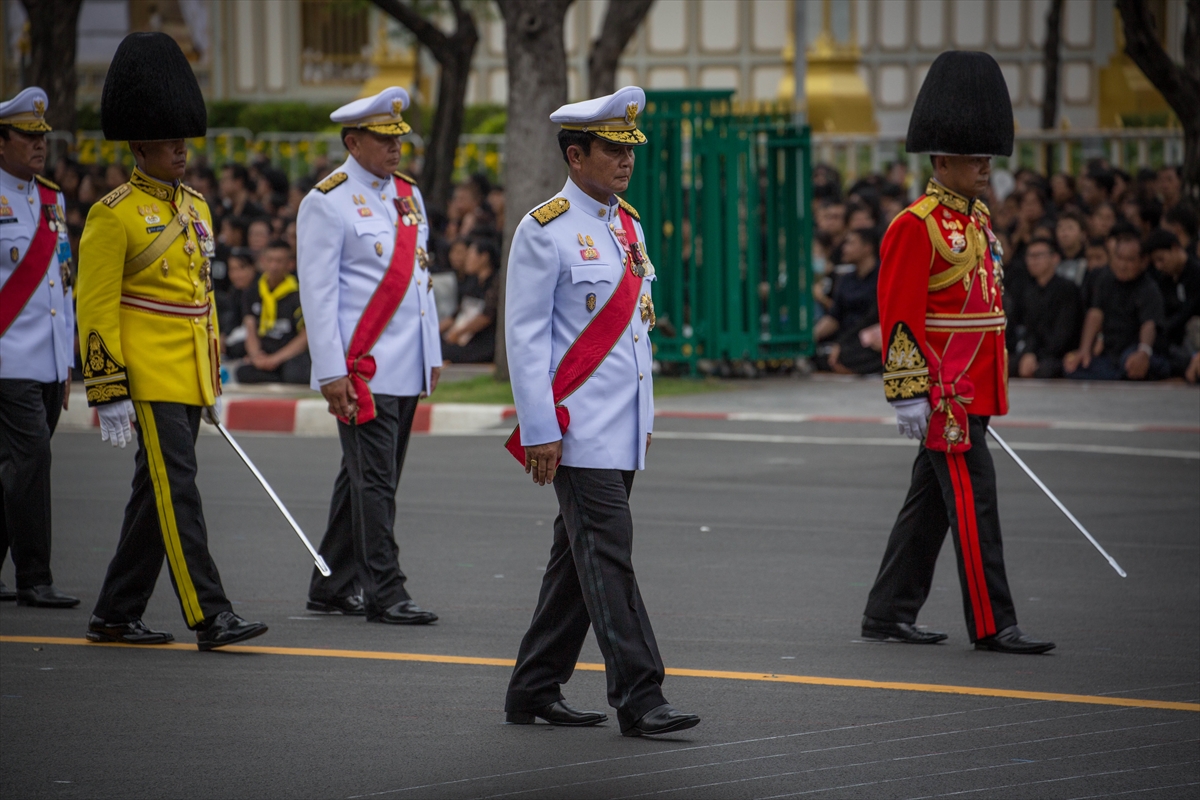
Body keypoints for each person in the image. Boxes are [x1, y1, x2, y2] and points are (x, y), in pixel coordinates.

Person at [503, 86, 700, 736]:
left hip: (623, 425)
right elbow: (526, 340)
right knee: (608, 553)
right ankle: (641, 696)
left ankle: (534, 686)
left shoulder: (629, 224)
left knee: (577, 559)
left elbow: (634, 331)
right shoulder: (544, 228)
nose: (625, 161)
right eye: (612, 150)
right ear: (576, 153)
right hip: (577, 429)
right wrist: (540, 431)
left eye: (629, 149)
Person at [75, 32, 268, 650]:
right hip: (147, 375)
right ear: (140, 146)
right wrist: (107, 388)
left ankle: (115, 611)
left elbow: (202, 302)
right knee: (176, 491)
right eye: (170, 142)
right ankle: (210, 614)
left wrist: (210, 376)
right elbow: (96, 306)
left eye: (184, 141)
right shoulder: (114, 213)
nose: (182, 151)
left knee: (154, 495)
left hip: (188, 373)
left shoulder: (198, 207)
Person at [861, 52, 1054, 655]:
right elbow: (899, 316)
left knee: (930, 507)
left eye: (986, 158)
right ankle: (995, 623)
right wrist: (908, 392)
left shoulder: (976, 222)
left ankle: (888, 610)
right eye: (974, 158)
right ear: (942, 159)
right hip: (945, 397)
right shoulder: (914, 226)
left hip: (974, 389)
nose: (984, 168)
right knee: (975, 505)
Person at [297, 87, 442, 623]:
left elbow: (419, 280)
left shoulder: (408, 196)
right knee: (375, 480)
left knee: (365, 477)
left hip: (405, 364)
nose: (396, 147)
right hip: (364, 368)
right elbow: (318, 295)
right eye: (384, 139)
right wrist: (331, 371)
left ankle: (330, 583)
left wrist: (433, 350)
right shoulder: (327, 201)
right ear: (353, 142)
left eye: (399, 137)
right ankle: (387, 590)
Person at [0, 87, 80, 608]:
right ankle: (35, 576)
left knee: (15, 466)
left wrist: (66, 356)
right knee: (32, 460)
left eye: (41, 137)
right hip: (7, 357)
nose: (38, 145)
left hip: (49, 359)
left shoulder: (52, 198)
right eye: (27, 136)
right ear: (1, 142)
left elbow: (62, 281)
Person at [1064, 225, 1169, 381]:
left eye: (1129, 260)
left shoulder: (1148, 288)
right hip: (1111, 352)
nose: (1122, 265)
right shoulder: (1106, 279)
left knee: (1131, 362)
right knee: (1074, 367)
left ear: (1143, 262)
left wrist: (1143, 352)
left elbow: (1149, 323)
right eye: (1119, 258)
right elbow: (1095, 314)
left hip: (1137, 348)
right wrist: (1084, 350)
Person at [236, 240, 310, 384]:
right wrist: (256, 356)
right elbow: (250, 329)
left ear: (290, 264)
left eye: (279, 261)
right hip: (265, 352)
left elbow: (305, 336)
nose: (274, 266)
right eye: (270, 260)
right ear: (262, 262)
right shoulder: (252, 292)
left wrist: (275, 359)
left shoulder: (299, 293)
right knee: (243, 373)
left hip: (289, 355)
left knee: (295, 374)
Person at [1007, 237, 1082, 379]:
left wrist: (1037, 356)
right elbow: (1027, 329)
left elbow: (1064, 332)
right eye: (1030, 256)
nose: (1033, 261)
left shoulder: (1067, 289)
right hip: (1035, 351)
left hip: (1060, 353)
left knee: (1046, 370)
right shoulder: (1028, 291)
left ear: (1054, 258)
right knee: (1007, 366)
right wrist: (1029, 353)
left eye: (1038, 256)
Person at [813, 227, 881, 374]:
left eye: (850, 244)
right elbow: (834, 317)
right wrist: (811, 336)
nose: (845, 248)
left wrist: (841, 344)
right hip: (846, 338)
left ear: (867, 247)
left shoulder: (883, 277)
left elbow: (872, 317)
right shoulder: (846, 280)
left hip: (872, 336)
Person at [1141, 229, 1200, 376]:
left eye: (1161, 259)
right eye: (1155, 262)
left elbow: (1188, 311)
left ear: (1174, 248)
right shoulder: (1164, 281)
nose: (1159, 266)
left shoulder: (1196, 274)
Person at [440, 233, 498, 363]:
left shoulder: (495, 283)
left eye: (471, 255)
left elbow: (486, 316)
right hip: (462, 336)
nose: (467, 259)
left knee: (442, 351)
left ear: (484, 257)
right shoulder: (472, 283)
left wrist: (458, 333)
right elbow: (456, 314)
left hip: (481, 342)